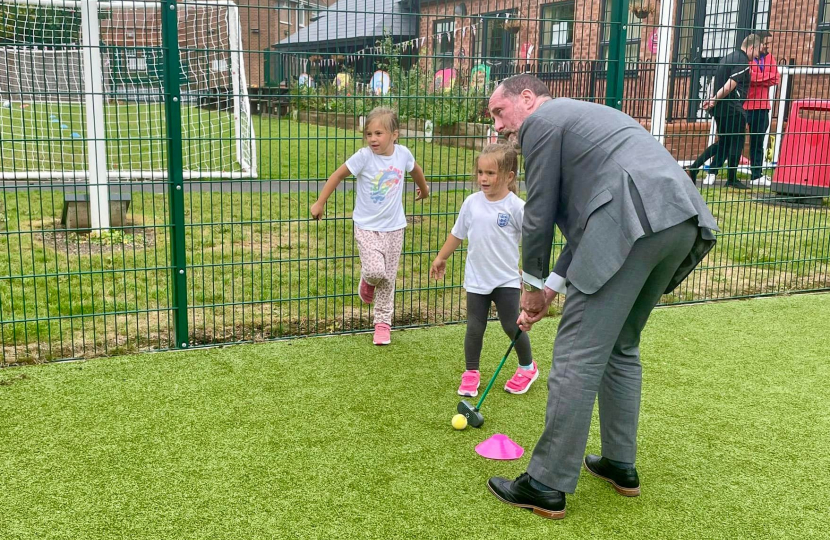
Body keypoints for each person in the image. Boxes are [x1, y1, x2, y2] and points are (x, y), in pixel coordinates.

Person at [482, 74, 719, 519]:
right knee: (621, 347)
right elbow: (593, 221)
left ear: (527, 99)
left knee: (576, 356)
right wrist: (550, 288)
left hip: (632, 221)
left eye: (500, 111)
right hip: (678, 219)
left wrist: (530, 286)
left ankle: (546, 484)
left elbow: (539, 213)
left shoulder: (543, 122)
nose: (498, 126)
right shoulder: (580, 119)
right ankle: (618, 463)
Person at [430, 143, 548, 396]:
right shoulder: (472, 203)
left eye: (491, 173)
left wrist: (531, 276)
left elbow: (532, 241)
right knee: (474, 326)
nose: (483, 178)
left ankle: (527, 367)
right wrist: (441, 257)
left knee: (510, 324)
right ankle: (471, 373)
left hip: (505, 279)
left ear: (509, 177)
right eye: (480, 172)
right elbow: (457, 234)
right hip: (476, 278)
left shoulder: (516, 207)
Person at [311, 107, 429, 345]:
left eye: (379, 133)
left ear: (394, 134)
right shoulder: (363, 157)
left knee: (388, 279)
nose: (373, 139)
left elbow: (415, 169)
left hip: (395, 227)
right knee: (376, 271)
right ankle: (366, 280)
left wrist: (424, 189)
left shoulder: (403, 154)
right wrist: (320, 202)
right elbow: (337, 176)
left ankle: (383, 324)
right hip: (366, 226)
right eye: (369, 134)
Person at [688, 34, 763, 189]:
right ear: (751, 47)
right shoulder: (742, 61)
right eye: (756, 52)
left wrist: (711, 99)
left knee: (723, 143)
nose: (756, 56)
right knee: (737, 141)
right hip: (732, 109)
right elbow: (730, 85)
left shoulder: (727, 58)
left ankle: (694, 168)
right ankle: (732, 179)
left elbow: (715, 80)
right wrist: (714, 98)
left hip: (720, 110)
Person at [743, 31, 780, 186]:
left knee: (758, 142)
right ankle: (715, 170)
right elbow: (748, 77)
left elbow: (776, 78)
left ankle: (756, 175)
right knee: (732, 139)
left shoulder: (770, 58)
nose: (767, 47)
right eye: (765, 44)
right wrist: (766, 77)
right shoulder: (747, 58)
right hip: (746, 105)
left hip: (763, 106)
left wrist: (759, 78)